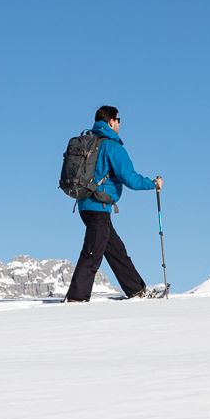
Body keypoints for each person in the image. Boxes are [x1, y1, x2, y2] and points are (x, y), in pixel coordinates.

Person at [65, 105, 163, 302]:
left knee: (116, 250)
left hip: (86, 204)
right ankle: (76, 298)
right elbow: (130, 178)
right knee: (92, 252)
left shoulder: (90, 142)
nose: (119, 124)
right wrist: (152, 184)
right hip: (98, 207)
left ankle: (137, 290)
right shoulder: (112, 147)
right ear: (111, 122)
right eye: (118, 120)